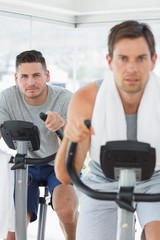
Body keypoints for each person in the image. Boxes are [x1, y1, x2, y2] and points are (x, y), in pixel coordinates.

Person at [55, 20, 160, 240]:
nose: (131, 68)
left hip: (156, 180)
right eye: (123, 58)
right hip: (103, 181)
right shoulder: (87, 99)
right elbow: (65, 176)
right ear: (110, 61)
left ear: (153, 61)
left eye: (140, 58)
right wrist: (70, 138)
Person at [0, 50, 79, 240]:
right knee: (14, 230)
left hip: (57, 163)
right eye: (24, 76)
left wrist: (63, 126)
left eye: (36, 75)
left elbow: (77, 141)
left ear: (47, 75)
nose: (31, 82)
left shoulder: (65, 99)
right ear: (16, 77)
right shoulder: (6, 99)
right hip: (23, 165)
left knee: (66, 210)